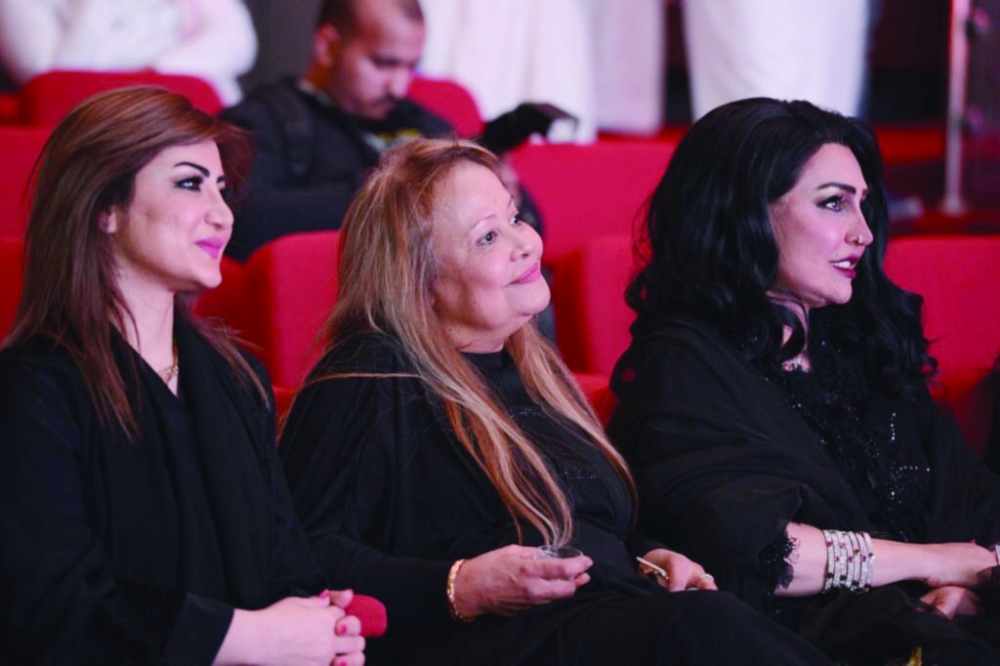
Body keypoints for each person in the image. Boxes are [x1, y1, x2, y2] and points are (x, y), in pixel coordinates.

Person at [278, 137, 834, 665]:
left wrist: (647, 556)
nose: (526, 242)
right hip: (478, 642)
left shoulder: (535, 368)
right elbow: (303, 555)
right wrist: (460, 585)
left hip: (601, 619)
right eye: (487, 238)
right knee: (700, 629)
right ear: (419, 282)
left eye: (514, 217)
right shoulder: (369, 371)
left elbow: (578, 524)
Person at [607, 97, 1000, 664]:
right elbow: (754, 548)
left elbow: (974, 501)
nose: (863, 233)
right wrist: (936, 563)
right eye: (834, 203)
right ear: (745, 212)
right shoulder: (684, 365)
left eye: (863, 204)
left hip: (947, 622)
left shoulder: (864, 343)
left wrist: (970, 587)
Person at [0, 86, 365, 665]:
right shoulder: (30, 389)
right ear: (105, 206)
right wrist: (254, 638)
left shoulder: (237, 377)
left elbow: (286, 564)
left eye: (222, 189)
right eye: (191, 184)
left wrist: (319, 628)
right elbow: (52, 608)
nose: (223, 214)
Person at [221, 0, 540, 263]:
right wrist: (391, 189)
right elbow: (238, 223)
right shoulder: (266, 120)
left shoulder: (420, 120)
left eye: (411, 66)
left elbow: (534, 224)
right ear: (328, 46)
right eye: (384, 64)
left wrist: (505, 196)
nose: (398, 87)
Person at [0, 0, 257, 105]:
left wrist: (154, 73)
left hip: (197, 118)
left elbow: (238, 43)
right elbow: (51, 87)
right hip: (92, 130)